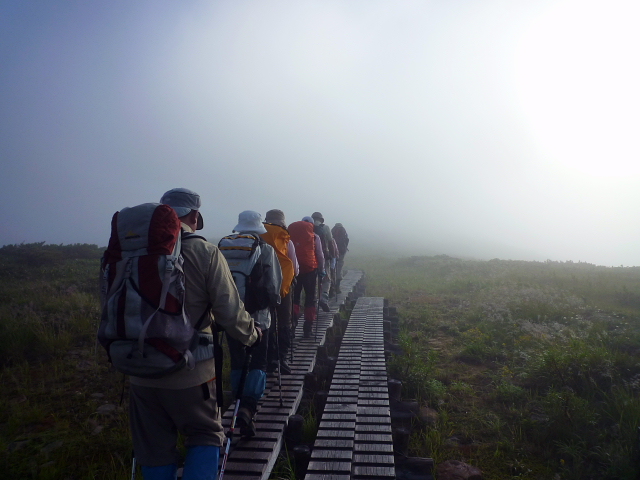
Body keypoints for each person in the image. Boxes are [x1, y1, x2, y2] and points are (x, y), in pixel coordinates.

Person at [128, 188, 260, 480]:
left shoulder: (132, 253)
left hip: (138, 369)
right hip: (190, 372)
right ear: (195, 216)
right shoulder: (204, 251)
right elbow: (229, 311)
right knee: (205, 435)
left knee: (153, 447)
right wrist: (252, 335)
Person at [220, 210, 282, 437]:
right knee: (258, 361)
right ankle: (248, 407)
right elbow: (274, 285)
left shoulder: (223, 247)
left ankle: (237, 401)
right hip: (259, 317)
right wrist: (274, 303)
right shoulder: (265, 249)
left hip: (230, 316)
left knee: (237, 360)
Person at [261, 209, 298, 375]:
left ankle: (269, 361)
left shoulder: (259, 237)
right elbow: (295, 267)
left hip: (262, 288)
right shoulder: (286, 239)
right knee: (284, 322)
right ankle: (282, 359)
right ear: (282, 222)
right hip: (283, 288)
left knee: (267, 323)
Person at [289, 217, 324, 337]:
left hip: (294, 271)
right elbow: (319, 254)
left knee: (295, 298)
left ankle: (292, 326)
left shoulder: (291, 235)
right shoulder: (314, 236)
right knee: (310, 298)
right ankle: (308, 328)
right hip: (310, 270)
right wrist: (322, 270)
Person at [311, 212, 336, 312]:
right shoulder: (325, 228)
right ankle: (324, 299)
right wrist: (333, 256)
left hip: (311, 258)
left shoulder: (309, 227)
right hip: (324, 257)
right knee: (326, 279)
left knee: (315, 280)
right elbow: (331, 242)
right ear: (321, 219)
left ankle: (313, 301)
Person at [331, 223, 349, 294]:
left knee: (332, 269)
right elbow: (347, 240)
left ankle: (331, 289)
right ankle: (337, 287)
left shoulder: (332, 230)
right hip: (341, 252)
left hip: (332, 252)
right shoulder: (343, 231)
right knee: (339, 268)